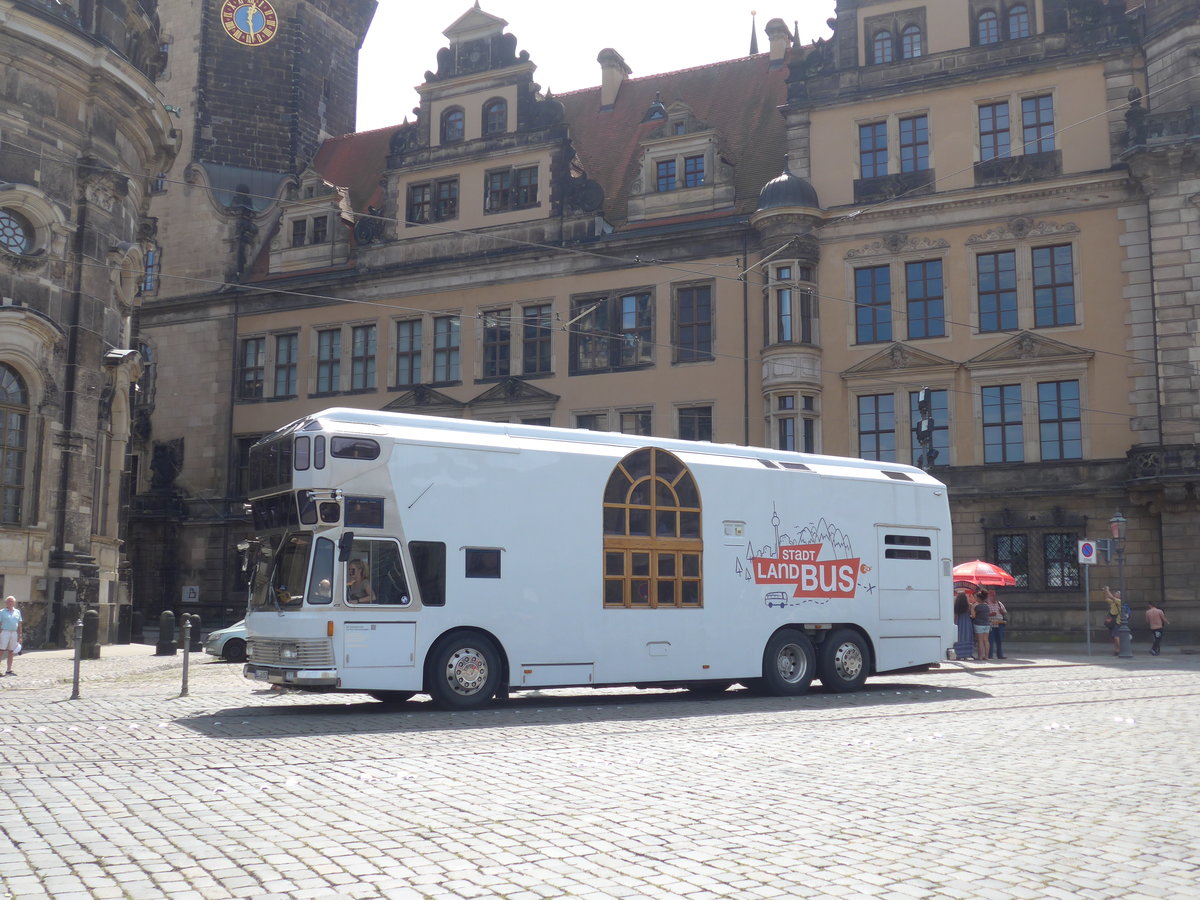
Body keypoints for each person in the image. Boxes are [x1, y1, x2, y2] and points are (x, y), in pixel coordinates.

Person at [1, 595, 22, 676]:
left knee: (11, 651)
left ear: (14, 603)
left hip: (14, 632)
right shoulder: (2, 612)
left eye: (12, 601)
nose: (10, 603)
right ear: (6, 603)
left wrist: (20, 636)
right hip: (5, 631)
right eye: (9, 601)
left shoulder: (17, 612)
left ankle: (9, 670)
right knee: (1, 650)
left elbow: (19, 624)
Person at [986, 588, 1009, 659]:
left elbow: (1005, 612)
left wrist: (1002, 611)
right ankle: (990, 655)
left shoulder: (999, 603)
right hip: (991, 624)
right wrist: (990, 614)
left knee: (999, 640)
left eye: (994, 594)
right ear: (988, 595)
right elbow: (984, 614)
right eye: (991, 594)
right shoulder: (986, 604)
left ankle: (1000, 655)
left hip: (999, 624)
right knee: (990, 640)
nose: (993, 596)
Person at [970, 589, 991, 661]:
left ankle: (980, 656)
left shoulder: (977, 606)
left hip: (979, 624)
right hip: (987, 624)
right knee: (986, 640)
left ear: (979, 598)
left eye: (976, 597)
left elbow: (973, 616)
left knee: (980, 641)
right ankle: (987, 656)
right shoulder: (987, 606)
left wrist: (972, 607)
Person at [953, 591, 975, 660]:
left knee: (959, 637)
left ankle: (959, 654)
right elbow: (973, 615)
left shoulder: (956, 605)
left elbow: (955, 615)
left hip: (959, 622)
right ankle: (966, 655)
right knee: (967, 637)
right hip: (967, 622)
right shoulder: (969, 605)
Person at [1103, 586, 1123, 655]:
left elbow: (1111, 597)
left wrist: (1107, 589)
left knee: (1116, 637)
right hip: (1113, 622)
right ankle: (1116, 650)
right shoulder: (1113, 602)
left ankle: (1121, 650)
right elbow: (1106, 598)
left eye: (1117, 593)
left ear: (1120, 596)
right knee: (1114, 637)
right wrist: (1105, 591)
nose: (1115, 594)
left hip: (1117, 621)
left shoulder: (1119, 601)